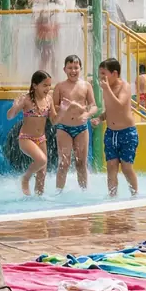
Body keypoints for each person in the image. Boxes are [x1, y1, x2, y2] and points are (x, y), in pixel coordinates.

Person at [90, 58, 138, 197]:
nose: (101, 78)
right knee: (111, 166)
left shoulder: (125, 87)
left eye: (103, 74)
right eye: (100, 75)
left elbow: (119, 105)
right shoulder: (106, 88)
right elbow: (111, 110)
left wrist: (107, 89)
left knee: (127, 168)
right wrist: (99, 118)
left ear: (115, 74)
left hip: (127, 133)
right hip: (111, 133)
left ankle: (134, 195)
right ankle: (112, 197)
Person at [8, 70, 55, 196]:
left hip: (41, 139)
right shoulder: (26, 99)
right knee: (41, 160)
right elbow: (9, 116)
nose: (48, 88)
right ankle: (25, 179)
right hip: (26, 138)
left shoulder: (49, 99)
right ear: (35, 86)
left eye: (49, 85)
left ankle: (38, 199)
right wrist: (15, 106)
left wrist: (66, 110)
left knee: (42, 173)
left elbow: (54, 120)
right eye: (45, 85)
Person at [53, 55, 96, 191]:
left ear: (80, 69)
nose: (73, 70)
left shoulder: (86, 85)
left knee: (81, 163)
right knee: (64, 163)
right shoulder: (60, 86)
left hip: (81, 128)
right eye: (70, 68)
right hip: (63, 128)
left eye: (76, 67)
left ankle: (83, 192)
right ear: (64, 69)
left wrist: (87, 114)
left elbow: (93, 105)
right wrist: (67, 107)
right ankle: (59, 192)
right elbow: (54, 107)